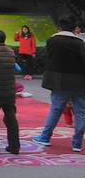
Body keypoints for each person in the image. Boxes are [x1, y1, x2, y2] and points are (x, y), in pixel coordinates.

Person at [33, 16, 85, 153]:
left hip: (59, 82)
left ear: (60, 27)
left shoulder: (52, 40)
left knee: (56, 109)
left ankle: (45, 137)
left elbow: (47, 58)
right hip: (79, 82)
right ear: (74, 28)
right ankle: (77, 143)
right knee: (81, 112)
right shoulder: (80, 42)